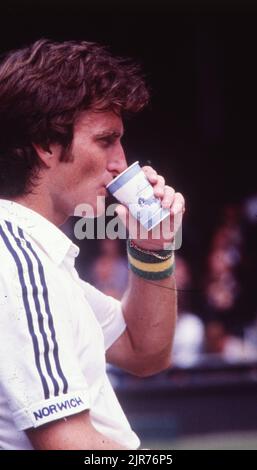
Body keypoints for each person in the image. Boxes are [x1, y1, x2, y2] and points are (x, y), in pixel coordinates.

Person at [0, 39, 185, 450]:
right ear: (45, 144)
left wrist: (152, 248)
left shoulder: (40, 260)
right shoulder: (17, 264)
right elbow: (68, 442)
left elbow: (145, 351)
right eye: (106, 140)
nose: (121, 161)